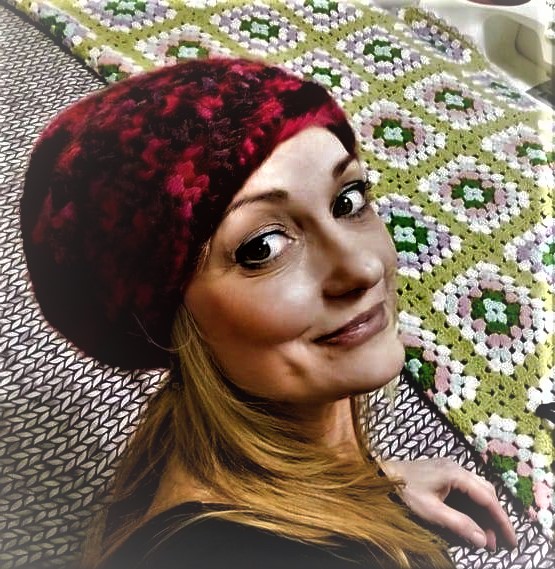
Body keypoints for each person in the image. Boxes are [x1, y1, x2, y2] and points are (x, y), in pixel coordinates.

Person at [20, 58, 517, 569]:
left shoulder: (192, 452)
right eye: (263, 247)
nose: (364, 267)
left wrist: (368, 489)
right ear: (168, 320)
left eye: (348, 201)